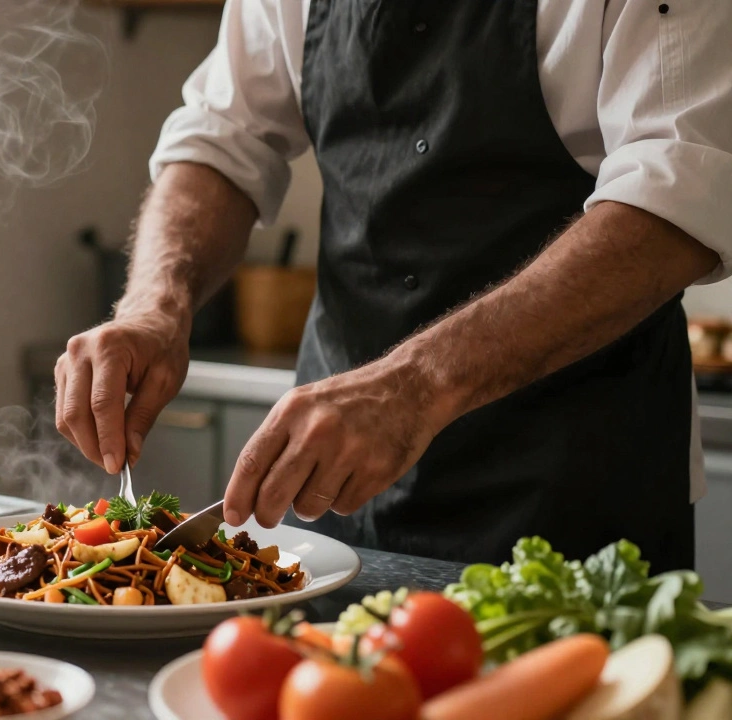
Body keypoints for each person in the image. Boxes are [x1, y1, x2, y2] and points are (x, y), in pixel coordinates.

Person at [53, 0, 732, 571]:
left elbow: (675, 200)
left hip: (578, 491)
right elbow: (222, 138)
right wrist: (153, 306)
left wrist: (413, 386)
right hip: (337, 495)